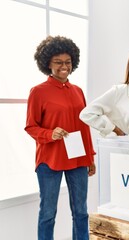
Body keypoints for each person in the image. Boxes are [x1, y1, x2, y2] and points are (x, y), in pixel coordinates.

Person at [25, 36, 96, 240]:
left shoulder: (78, 91)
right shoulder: (38, 92)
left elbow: (84, 126)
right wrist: (50, 133)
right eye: (58, 62)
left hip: (78, 159)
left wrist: (90, 156)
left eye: (68, 62)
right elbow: (30, 126)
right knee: (48, 214)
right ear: (48, 63)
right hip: (50, 159)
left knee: (81, 212)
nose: (64, 66)